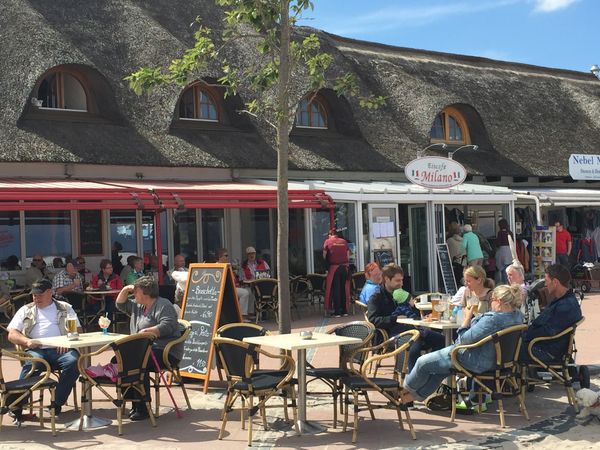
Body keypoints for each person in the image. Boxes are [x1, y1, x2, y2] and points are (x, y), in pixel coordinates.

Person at [403, 284, 524, 401]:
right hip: (499, 362)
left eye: (492, 299)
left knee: (422, 362)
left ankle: (402, 391)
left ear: (499, 301)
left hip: (473, 360)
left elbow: (463, 340)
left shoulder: (492, 320)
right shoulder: (517, 316)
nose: (490, 302)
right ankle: (408, 398)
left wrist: (467, 318)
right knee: (439, 371)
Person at [7, 278, 82, 417]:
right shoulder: (26, 309)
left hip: (61, 349)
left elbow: (78, 330)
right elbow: (12, 334)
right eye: (34, 295)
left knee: (74, 362)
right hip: (36, 350)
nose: (36, 298)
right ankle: (16, 404)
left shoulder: (65, 307)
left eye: (39, 295)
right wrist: (26, 342)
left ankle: (56, 403)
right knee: (33, 364)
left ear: (50, 292)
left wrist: (66, 341)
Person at [116, 276, 183, 421]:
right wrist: (125, 289)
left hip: (164, 350)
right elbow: (120, 305)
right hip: (142, 349)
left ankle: (143, 407)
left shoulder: (163, 305)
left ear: (145, 293)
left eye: (136, 292)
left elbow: (168, 325)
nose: (134, 295)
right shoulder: (138, 306)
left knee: (139, 363)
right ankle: (131, 400)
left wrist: (149, 331)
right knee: (117, 360)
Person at [367, 264, 445, 371]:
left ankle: (431, 369)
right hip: (389, 335)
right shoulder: (376, 297)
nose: (401, 284)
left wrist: (413, 306)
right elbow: (373, 320)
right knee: (414, 342)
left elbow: (415, 316)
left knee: (441, 339)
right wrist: (394, 318)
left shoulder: (403, 294)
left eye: (402, 280)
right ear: (386, 279)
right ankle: (413, 378)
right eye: (397, 281)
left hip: (411, 330)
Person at [520, 264, 582, 363]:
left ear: (555, 282)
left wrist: (525, 334)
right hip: (546, 346)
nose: (545, 284)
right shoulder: (563, 300)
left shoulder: (566, 305)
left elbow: (549, 331)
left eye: (546, 281)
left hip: (548, 351)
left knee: (509, 349)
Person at [217, 248, 252, 319]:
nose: (227, 258)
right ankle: (242, 316)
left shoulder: (227, 266)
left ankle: (250, 314)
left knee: (249, 290)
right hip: (224, 289)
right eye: (226, 256)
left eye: (227, 256)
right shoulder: (218, 266)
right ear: (220, 257)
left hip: (231, 287)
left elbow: (233, 279)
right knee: (245, 293)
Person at [323, 229, 350, 317]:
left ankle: (337, 311)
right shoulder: (344, 242)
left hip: (334, 268)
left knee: (336, 289)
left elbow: (324, 255)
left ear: (330, 234)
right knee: (344, 289)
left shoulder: (328, 241)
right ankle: (345, 310)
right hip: (344, 267)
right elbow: (348, 255)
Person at [496, 219, 513, 283]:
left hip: (502, 252)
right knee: (509, 269)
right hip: (510, 251)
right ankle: (510, 282)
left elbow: (498, 244)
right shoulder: (510, 232)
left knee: (503, 270)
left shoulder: (500, 233)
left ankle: (505, 283)